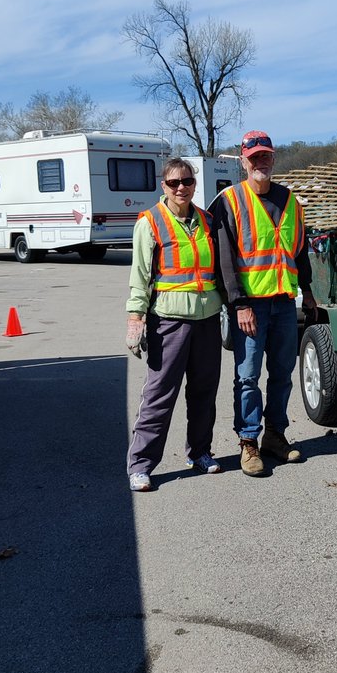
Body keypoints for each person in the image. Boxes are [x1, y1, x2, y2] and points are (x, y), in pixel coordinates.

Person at [212, 130, 317, 477]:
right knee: (247, 377)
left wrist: (308, 290)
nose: (261, 162)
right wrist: (239, 303)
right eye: (254, 157)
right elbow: (225, 260)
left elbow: (299, 250)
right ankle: (248, 442)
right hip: (250, 306)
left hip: (284, 302)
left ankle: (275, 435)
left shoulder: (290, 201)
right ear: (243, 161)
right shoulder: (230, 200)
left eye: (266, 156)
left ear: (273, 159)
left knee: (282, 374)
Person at [125, 158, 222, 492]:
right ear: (163, 186)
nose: (181, 188)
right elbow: (140, 275)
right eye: (174, 182)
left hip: (207, 319)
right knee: (159, 394)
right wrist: (135, 317)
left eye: (187, 181)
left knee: (204, 392)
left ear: (194, 183)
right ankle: (141, 464)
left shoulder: (208, 221)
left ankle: (200, 452)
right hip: (168, 320)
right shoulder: (150, 222)